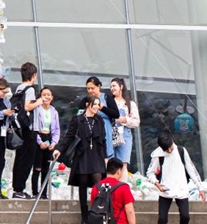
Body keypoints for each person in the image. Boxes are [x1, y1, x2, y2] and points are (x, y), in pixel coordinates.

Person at [53, 96, 107, 224]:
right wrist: (59, 149)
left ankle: (97, 212)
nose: (97, 107)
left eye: (98, 104)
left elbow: (103, 139)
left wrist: (105, 156)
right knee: (82, 183)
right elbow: (69, 136)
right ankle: (84, 214)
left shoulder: (99, 120)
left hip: (96, 154)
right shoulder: (77, 119)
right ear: (88, 104)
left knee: (98, 182)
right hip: (82, 154)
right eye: (94, 104)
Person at [146, 131, 206, 224]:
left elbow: (191, 169)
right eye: (166, 150)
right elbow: (150, 173)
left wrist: (200, 188)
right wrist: (157, 184)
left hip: (181, 188)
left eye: (170, 148)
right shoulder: (158, 155)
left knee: (185, 217)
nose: (169, 151)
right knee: (162, 220)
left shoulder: (181, 151)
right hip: (165, 190)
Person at [12, 62, 42, 199]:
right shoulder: (29, 89)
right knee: (27, 160)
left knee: (20, 158)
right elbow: (27, 107)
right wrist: (39, 101)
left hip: (20, 128)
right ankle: (19, 189)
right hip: (29, 129)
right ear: (34, 75)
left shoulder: (19, 88)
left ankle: (17, 188)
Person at [31, 87, 60, 199]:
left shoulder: (54, 111)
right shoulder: (37, 109)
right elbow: (34, 127)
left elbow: (57, 129)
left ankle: (43, 193)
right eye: (44, 95)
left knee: (46, 168)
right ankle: (35, 192)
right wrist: (39, 141)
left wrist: (54, 142)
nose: (46, 97)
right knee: (37, 168)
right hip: (39, 137)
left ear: (52, 97)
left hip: (49, 138)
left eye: (49, 95)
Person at [90, 158, 136, 224]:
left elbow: (94, 207)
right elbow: (130, 211)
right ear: (119, 171)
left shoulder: (96, 187)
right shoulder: (123, 187)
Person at [110, 78, 139, 182]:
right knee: (110, 164)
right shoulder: (109, 102)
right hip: (110, 134)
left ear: (121, 87)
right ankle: (111, 188)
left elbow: (136, 121)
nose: (112, 88)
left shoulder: (130, 104)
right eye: (111, 86)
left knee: (123, 164)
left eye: (114, 86)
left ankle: (122, 188)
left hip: (125, 135)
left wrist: (125, 119)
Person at [85, 77, 120, 161]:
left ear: (99, 86)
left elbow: (116, 114)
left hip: (105, 128)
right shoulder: (86, 100)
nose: (90, 91)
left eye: (92, 88)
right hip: (90, 128)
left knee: (105, 153)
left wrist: (102, 108)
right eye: (88, 88)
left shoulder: (106, 97)